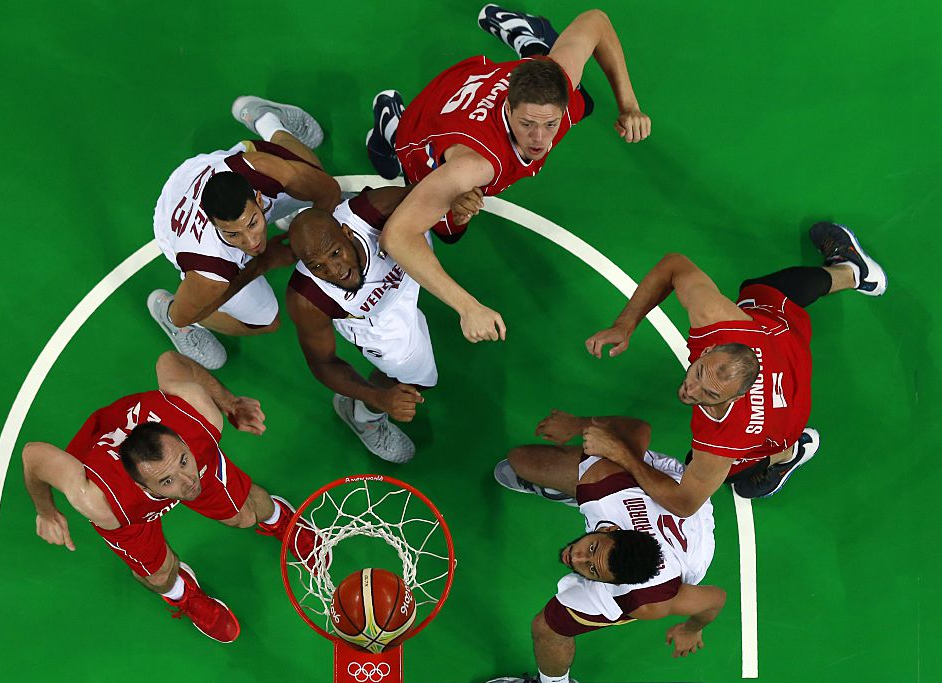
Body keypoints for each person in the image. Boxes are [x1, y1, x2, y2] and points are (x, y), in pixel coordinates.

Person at [366, 5, 651, 343]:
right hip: (433, 123)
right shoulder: (476, 166)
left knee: (583, 101)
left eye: (550, 124)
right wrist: (468, 307)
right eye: (527, 124)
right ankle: (392, 125)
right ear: (509, 108)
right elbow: (397, 236)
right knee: (449, 230)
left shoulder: (557, 79)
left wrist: (629, 106)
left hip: (480, 87)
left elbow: (596, 21)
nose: (540, 140)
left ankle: (524, 36)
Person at [583, 222, 888, 509]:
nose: (692, 389)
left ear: (737, 397)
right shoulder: (719, 322)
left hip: (785, 422)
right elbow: (674, 265)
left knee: (709, 468)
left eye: (710, 394)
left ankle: (791, 452)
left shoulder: (723, 438)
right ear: (712, 347)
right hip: (786, 346)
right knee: (758, 292)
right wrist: (624, 325)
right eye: (700, 373)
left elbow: (684, 502)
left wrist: (619, 452)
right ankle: (851, 271)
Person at [21, 351, 320, 643]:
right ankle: (182, 594)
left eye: (182, 462)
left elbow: (170, 360)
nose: (189, 482)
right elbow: (33, 455)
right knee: (158, 574)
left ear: (181, 442)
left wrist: (230, 403)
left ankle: (279, 518)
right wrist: (46, 511)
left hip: (184, 450)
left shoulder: (200, 419)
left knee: (245, 514)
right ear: (145, 487)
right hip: (128, 508)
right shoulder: (104, 502)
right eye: (167, 480)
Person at [488, 412, 725, 683]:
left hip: (687, 552)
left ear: (611, 583)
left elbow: (713, 599)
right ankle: (574, 492)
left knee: (547, 627)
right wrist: (579, 425)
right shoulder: (604, 484)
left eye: (590, 569)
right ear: (610, 529)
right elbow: (639, 426)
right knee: (521, 460)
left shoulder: (646, 600)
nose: (574, 557)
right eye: (591, 549)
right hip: (670, 488)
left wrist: (691, 630)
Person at [149, 96, 341, 369]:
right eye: (233, 234)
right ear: (216, 226)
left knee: (311, 171)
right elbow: (187, 313)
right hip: (174, 219)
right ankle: (164, 311)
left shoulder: (259, 169)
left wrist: (311, 229)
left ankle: (266, 119)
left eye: (252, 224)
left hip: (205, 171)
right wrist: (263, 263)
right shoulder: (211, 269)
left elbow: (328, 190)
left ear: (259, 199)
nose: (251, 242)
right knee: (266, 321)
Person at [284, 186, 436, 464]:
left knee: (425, 216)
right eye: (317, 266)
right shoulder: (308, 299)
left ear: (347, 232)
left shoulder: (375, 209)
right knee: (415, 381)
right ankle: (363, 416)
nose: (334, 271)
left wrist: (459, 207)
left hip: (405, 262)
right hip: (376, 320)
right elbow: (323, 363)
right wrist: (379, 398)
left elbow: (436, 192)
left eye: (335, 253)